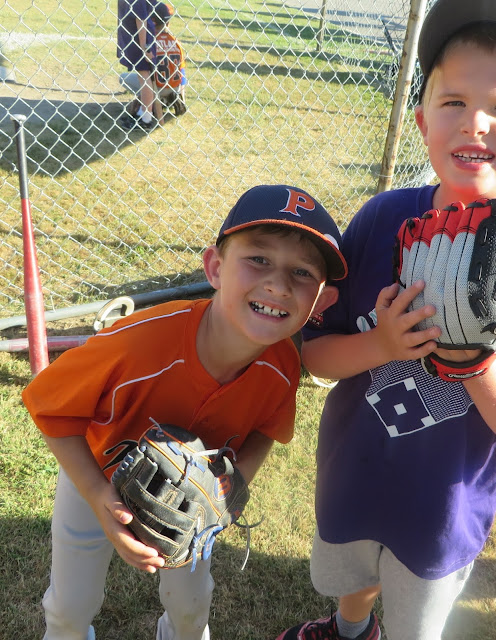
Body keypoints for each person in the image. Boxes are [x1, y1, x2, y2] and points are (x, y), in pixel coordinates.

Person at [274, 1, 496, 639]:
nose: (474, 122)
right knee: (351, 579)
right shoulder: (382, 220)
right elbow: (312, 355)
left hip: (443, 509)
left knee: (416, 618)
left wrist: (474, 362)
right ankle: (348, 629)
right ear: (422, 122)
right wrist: (382, 343)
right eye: (453, 101)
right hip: (354, 471)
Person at [22, 184, 345, 640]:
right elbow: (49, 409)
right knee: (69, 608)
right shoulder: (138, 343)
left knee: (192, 608)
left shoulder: (283, 365)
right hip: (96, 472)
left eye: (302, 272)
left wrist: (233, 486)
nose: (278, 284)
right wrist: (97, 496)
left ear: (321, 303)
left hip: (195, 494)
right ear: (214, 267)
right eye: (258, 258)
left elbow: (267, 429)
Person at [119, 2, 187, 127]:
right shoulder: (176, 42)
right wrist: (181, 96)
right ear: (167, 23)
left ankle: (147, 103)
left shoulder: (151, 42)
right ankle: (166, 100)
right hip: (174, 88)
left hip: (157, 86)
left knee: (123, 78)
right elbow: (182, 73)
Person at [117, 0, 156, 131]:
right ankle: (142, 113)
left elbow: (141, 18)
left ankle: (146, 118)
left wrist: (144, 46)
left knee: (144, 74)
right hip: (136, 35)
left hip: (140, 37)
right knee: (142, 74)